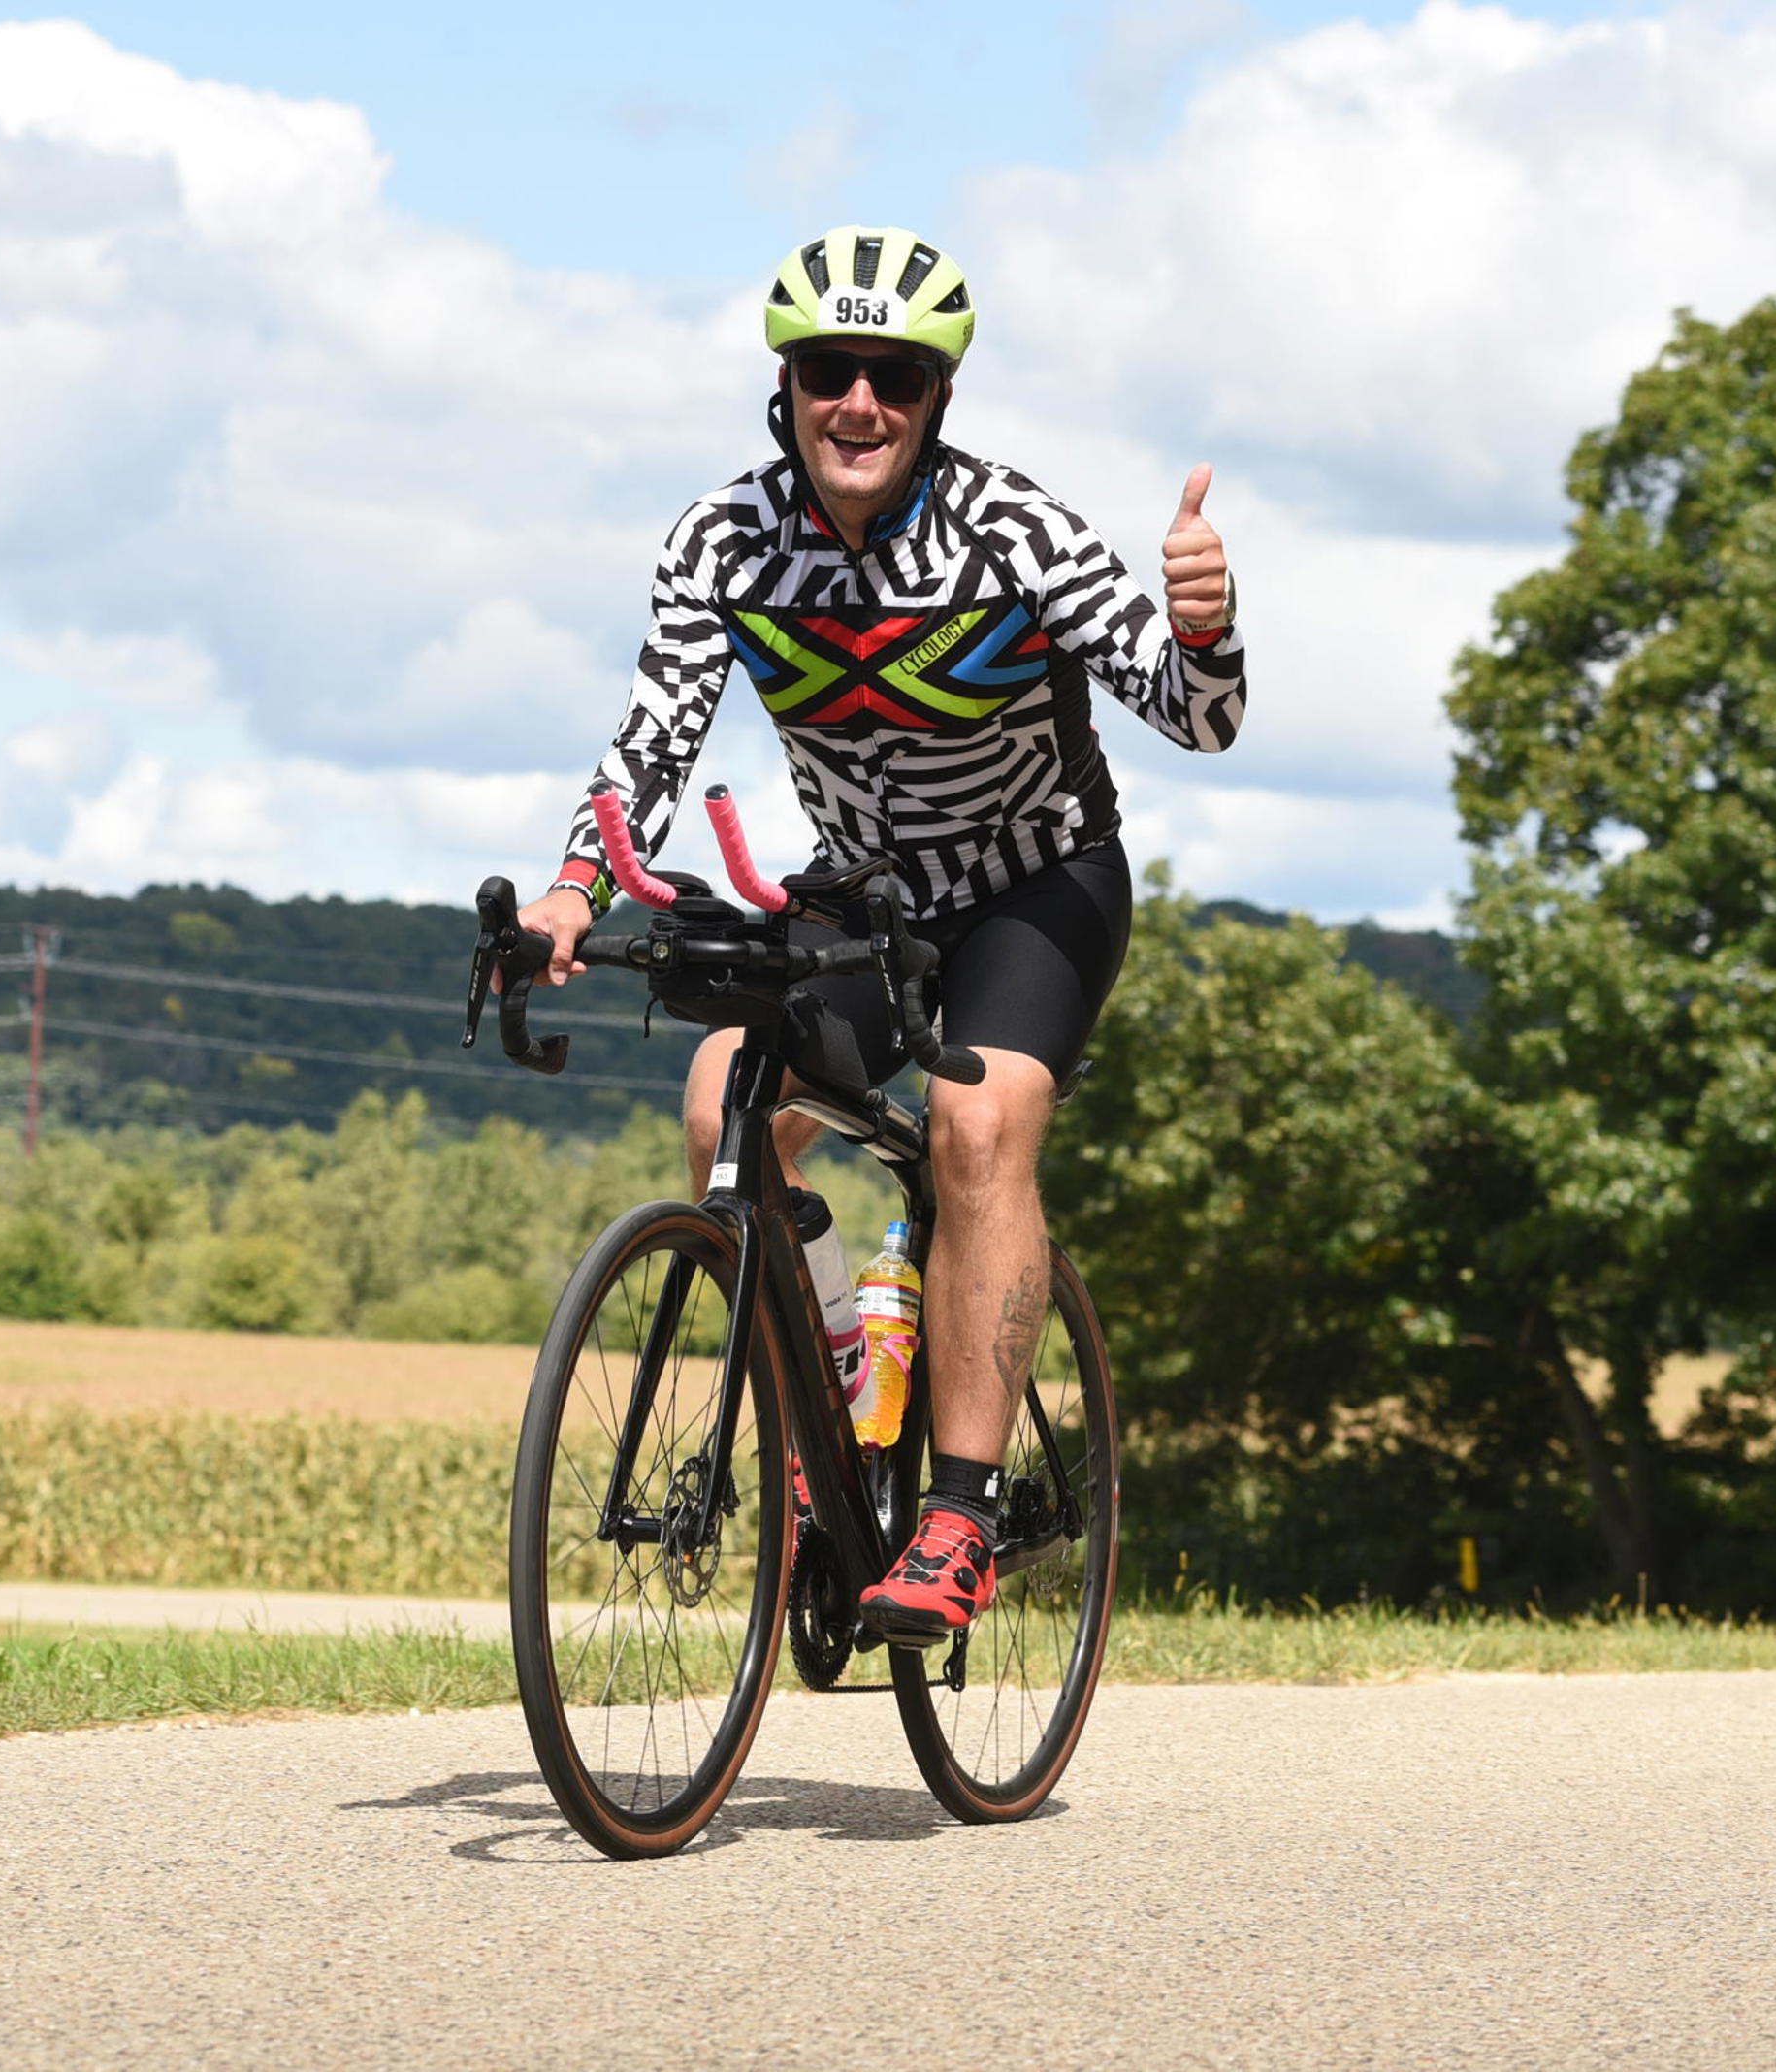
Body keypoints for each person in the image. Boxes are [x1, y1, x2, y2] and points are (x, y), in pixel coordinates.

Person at [506, 225, 1248, 1642]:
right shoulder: (724, 541)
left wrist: (1204, 627)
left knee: (977, 1127)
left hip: (1037, 885)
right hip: (868, 898)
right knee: (725, 1101)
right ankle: (842, 1367)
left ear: (936, 398)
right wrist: (571, 892)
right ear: (785, 388)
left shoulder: (1013, 530)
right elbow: (653, 740)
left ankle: (960, 1515)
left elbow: (1197, 719)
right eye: (828, 372)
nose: (859, 403)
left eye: (893, 377)